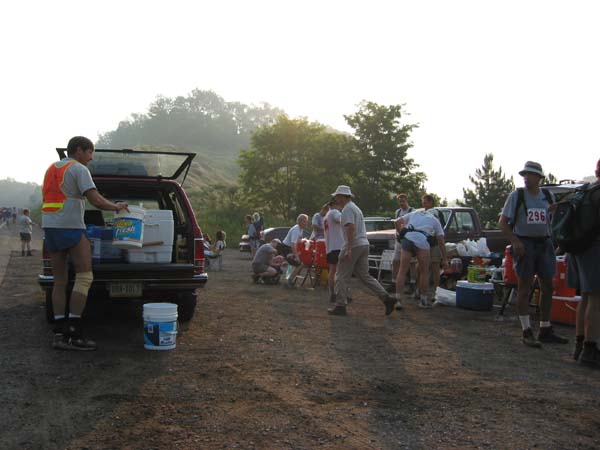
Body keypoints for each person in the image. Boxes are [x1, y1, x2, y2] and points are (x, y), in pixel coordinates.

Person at [43, 136, 129, 351]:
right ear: (79, 150)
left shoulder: (52, 167)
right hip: (71, 226)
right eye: (90, 152)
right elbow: (95, 200)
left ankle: (59, 334)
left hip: (51, 226)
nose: (91, 158)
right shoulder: (79, 169)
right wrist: (116, 207)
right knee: (84, 276)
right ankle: (74, 332)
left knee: (60, 281)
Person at [499, 161, 568, 348]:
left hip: (544, 243)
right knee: (524, 287)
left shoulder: (547, 195)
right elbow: (503, 222)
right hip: (525, 243)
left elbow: (552, 219)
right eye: (525, 174)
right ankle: (526, 330)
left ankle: (545, 328)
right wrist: (514, 240)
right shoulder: (518, 196)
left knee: (547, 285)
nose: (526, 177)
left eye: (530, 174)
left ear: (538, 177)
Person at [327, 185, 396, 316]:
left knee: (341, 275)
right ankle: (386, 298)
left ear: (342, 196)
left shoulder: (347, 209)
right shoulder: (355, 208)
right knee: (365, 276)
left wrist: (348, 247)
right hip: (364, 243)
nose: (336, 198)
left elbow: (351, 228)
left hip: (354, 244)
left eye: (337, 196)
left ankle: (340, 305)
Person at [568, 158, 600, 367]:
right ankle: (590, 349)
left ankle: (579, 344)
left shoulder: (587, 189)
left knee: (586, 297)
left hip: (579, 249)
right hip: (595, 248)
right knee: (597, 299)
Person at [394, 203, 448, 310]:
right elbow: (441, 242)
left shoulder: (415, 213)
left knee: (402, 270)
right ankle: (423, 301)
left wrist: (401, 234)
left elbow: (397, 222)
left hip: (407, 239)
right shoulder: (435, 220)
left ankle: (398, 300)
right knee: (424, 272)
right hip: (422, 241)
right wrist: (445, 259)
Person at [421, 195, 444, 302]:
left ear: (431, 202)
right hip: (424, 244)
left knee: (435, 268)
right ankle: (420, 291)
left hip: (433, 244)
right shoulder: (422, 213)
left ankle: (436, 292)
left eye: (425, 202)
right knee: (421, 268)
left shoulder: (436, 213)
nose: (423, 205)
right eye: (423, 202)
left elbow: (440, 229)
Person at [323, 198, 347, 302]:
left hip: (330, 247)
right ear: (335, 204)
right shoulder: (335, 212)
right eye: (339, 204)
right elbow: (343, 220)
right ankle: (340, 294)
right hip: (338, 246)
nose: (341, 206)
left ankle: (332, 293)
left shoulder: (326, 216)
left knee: (332, 272)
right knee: (341, 272)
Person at [392, 193, 416, 284]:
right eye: (400, 201)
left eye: (403, 201)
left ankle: (412, 283)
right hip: (398, 239)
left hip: (409, 239)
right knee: (395, 261)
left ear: (407, 200)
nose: (401, 203)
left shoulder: (412, 211)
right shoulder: (398, 211)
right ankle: (394, 282)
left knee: (412, 263)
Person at [280, 214, 309, 288]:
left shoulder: (300, 229)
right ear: (299, 221)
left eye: (306, 221)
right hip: (286, 248)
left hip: (288, 248)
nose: (306, 223)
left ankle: (289, 279)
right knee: (299, 263)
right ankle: (289, 281)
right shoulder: (296, 230)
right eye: (304, 221)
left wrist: (303, 240)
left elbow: (298, 240)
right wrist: (297, 257)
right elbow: (293, 245)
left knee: (299, 263)